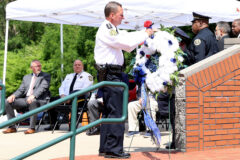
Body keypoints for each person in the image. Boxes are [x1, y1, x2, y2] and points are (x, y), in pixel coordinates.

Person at [94, 1, 154, 159]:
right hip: (111, 74)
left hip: (112, 74)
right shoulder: (107, 29)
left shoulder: (112, 29)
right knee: (116, 112)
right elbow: (126, 43)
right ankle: (114, 149)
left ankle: (107, 147)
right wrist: (145, 34)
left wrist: (142, 32)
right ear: (112, 15)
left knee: (110, 112)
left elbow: (126, 37)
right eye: (121, 14)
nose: (123, 17)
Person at [2, 60, 51, 134]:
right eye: (36, 66)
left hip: (39, 99)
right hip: (26, 99)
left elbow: (43, 88)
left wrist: (33, 96)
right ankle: (12, 127)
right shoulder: (26, 77)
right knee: (7, 101)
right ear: (31, 68)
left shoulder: (45, 76)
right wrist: (13, 95)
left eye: (39, 66)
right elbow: (21, 90)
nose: (39, 68)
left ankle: (32, 128)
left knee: (32, 102)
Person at [44, 59, 93, 130]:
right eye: (75, 65)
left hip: (80, 98)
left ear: (82, 66)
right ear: (73, 67)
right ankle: (53, 124)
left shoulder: (88, 76)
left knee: (74, 94)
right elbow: (61, 87)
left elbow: (85, 89)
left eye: (79, 65)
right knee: (52, 100)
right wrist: (62, 95)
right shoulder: (68, 76)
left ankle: (72, 126)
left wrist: (71, 97)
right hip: (65, 98)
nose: (77, 66)